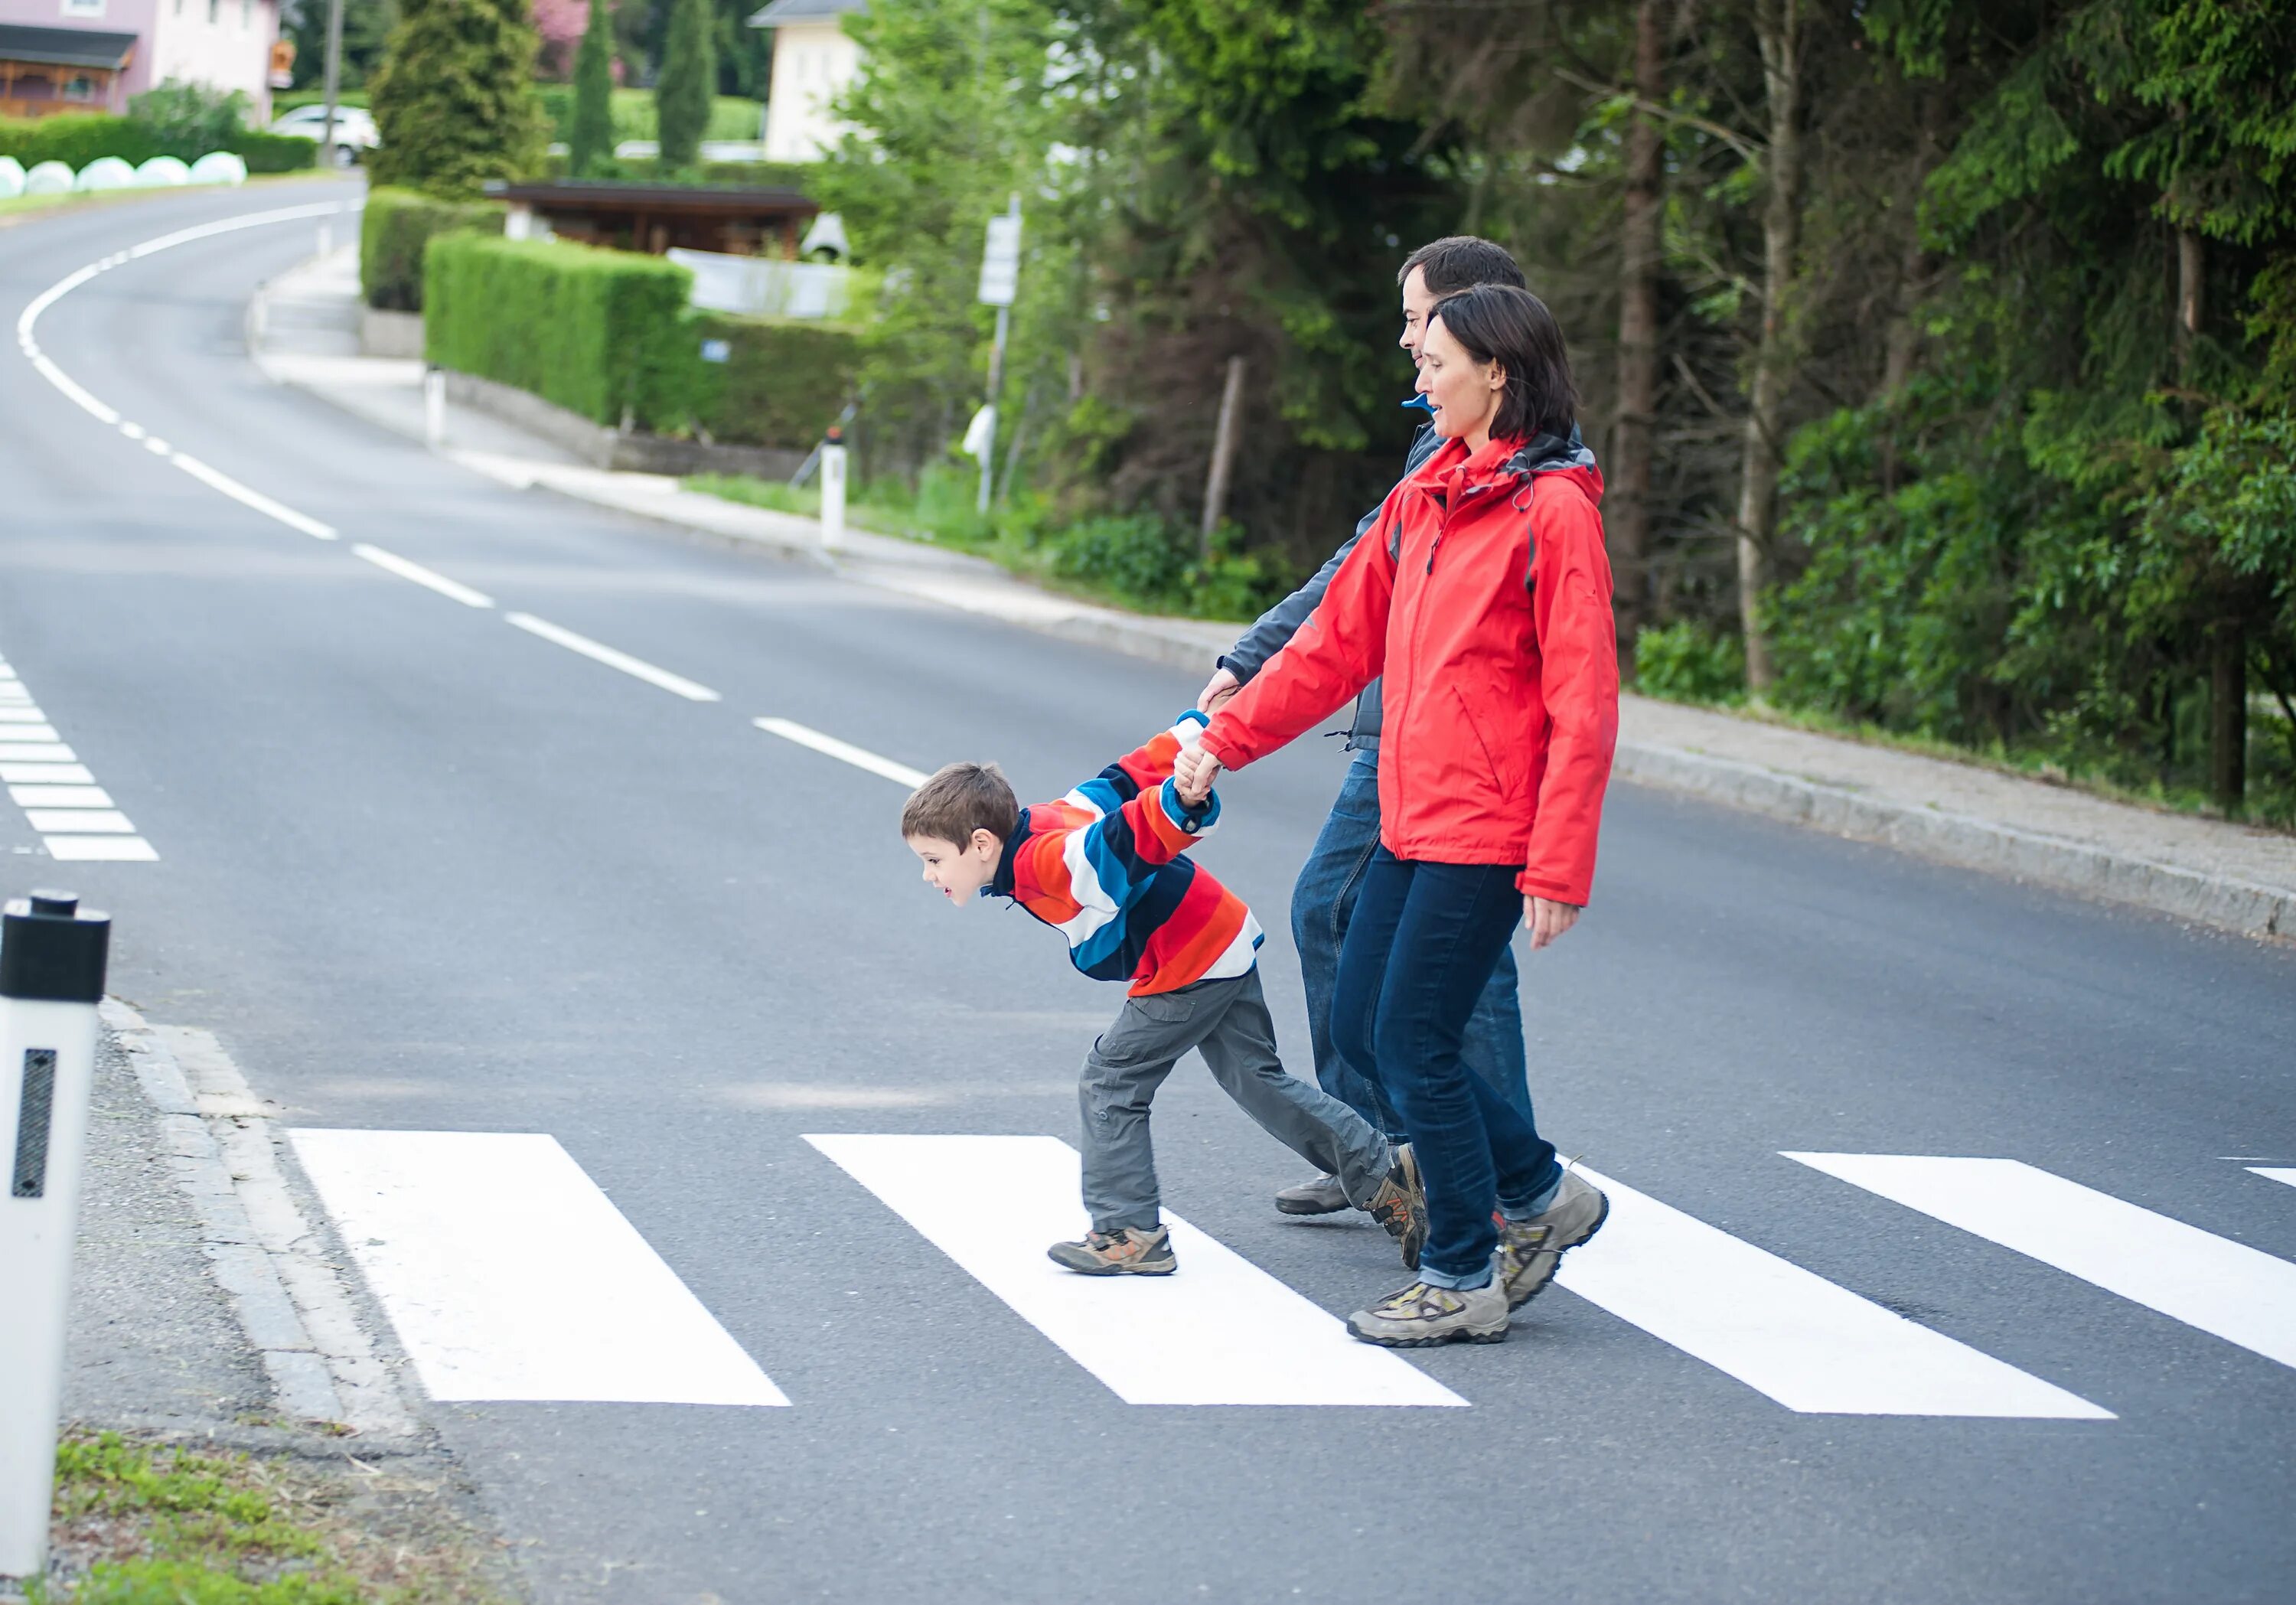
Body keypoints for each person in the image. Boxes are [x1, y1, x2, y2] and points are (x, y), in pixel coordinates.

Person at [1178, 284, 1619, 1346]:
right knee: (1371, 1028)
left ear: (1496, 373)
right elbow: (1334, 645)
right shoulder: (1427, 493)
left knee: (1416, 1041)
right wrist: (1224, 740)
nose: (1418, 376)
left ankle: (1464, 1270)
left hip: (1489, 823)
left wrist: (1558, 865)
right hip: (1410, 810)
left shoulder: (1552, 510)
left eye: (1436, 362)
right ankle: (1540, 1187)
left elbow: (1585, 699)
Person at [1197, 237, 1550, 1222]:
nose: (1406, 345)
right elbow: (1362, 577)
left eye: (1418, 322)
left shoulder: (1523, 470)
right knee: (1390, 941)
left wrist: (1250, 665)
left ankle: (1447, 1170)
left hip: (1445, 748)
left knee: (1374, 930)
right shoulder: (1443, 440)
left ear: (1478, 331)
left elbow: (1575, 688)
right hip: (1403, 732)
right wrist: (1255, 661)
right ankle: (1411, 1158)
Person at [899, 713, 1427, 1276]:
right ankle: (1385, 1173)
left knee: (1111, 1079)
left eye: (934, 860)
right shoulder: (1050, 820)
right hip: (1217, 933)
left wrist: (1180, 801)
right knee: (1256, 1079)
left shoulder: (1048, 863)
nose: (929, 875)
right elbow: (1122, 779)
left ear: (982, 843)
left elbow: (1126, 835)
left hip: (1189, 959)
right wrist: (1198, 731)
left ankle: (1128, 1231)